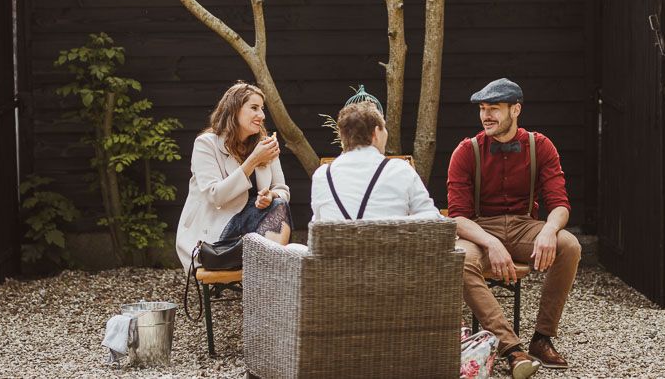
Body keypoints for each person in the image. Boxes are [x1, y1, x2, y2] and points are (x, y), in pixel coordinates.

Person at [447, 78, 581, 379]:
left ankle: (542, 338)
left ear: (515, 109)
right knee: (461, 258)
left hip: (524, 226)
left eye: (494, 108)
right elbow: (457, 217)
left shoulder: (540, 146)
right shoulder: (466, 151)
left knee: (569, 244)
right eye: (482, 109)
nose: (486, 116)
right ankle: (511, 349)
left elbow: (560, 203)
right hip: (479, 229)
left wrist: (548, 231)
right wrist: (491, 243)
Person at [176, 81, 292, 270]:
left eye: (262, 109)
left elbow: (282, 189)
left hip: (254, 230)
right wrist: (253, 160)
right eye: (254, 108)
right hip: (217, 233)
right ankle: (272, 275)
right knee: (277, 213)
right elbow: (215, 196)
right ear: (234, 109)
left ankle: (270, 272)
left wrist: (271, 195)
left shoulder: (264, 144)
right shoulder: (206, 144)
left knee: (279, 204)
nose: (261, 116)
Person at [311, 101, 441, 221]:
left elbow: (318, 225)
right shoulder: (401, 169)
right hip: (390, 246)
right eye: (384, 127)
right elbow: (431, 218)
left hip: (336, 246)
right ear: (376, 133)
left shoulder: (322, 175)